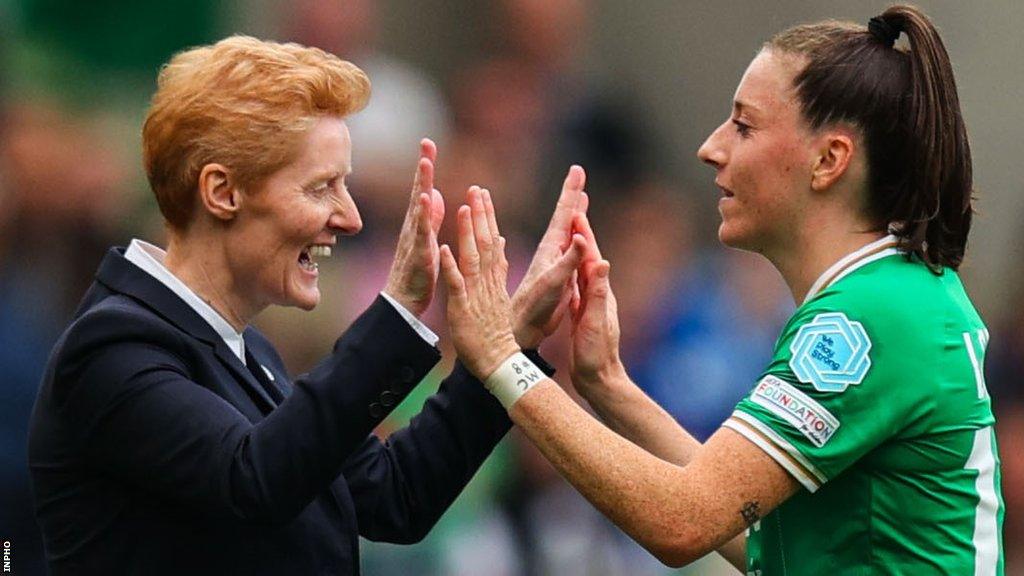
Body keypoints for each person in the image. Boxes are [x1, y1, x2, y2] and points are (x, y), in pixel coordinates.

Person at [438, 5, 1004, 574]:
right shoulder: (892, 294)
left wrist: (502, 360)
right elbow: (754, 537)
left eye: (743, 125)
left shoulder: (869, 316)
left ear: (829, 160)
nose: (710, 148)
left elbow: (683, 522)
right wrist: (608, 385)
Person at [27, 36, 588, 575]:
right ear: (223, 193)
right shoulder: (110, 351)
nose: (351, 218)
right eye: (321, 188)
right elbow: (255, 479)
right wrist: (396, 310)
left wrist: (509, 344)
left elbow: (395, 496)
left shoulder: (246, 352)